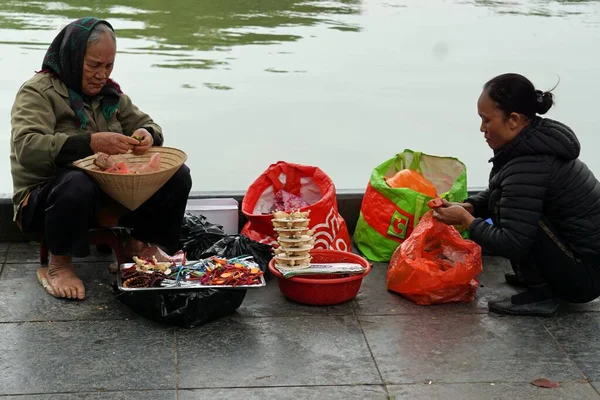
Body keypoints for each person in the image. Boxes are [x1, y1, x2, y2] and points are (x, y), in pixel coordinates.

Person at [10, 17, 192, 301]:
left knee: (177, 174)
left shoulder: (112, 96)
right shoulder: (38, 92)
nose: (101, 75)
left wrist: (147, 134)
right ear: (71, 57)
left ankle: (141, 245)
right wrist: (90, 143)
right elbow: (27, 148)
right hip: (44, 203)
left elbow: (149, 125)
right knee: (77, 181)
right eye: (93, 65)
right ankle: (58, 264)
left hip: (106, 197)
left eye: (108, 66)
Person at [432, 73, 600, 317]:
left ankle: (541, 293)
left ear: (513, 120)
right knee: (503, 201)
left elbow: (511, 243)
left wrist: (466, 220)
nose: (482, 129)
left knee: (503, 205)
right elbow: (508, 189)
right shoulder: (535, 139)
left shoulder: (531, 163)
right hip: (583, 265)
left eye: (487, 120)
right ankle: (535, 278)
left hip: (584, 278)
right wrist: (470, 207)